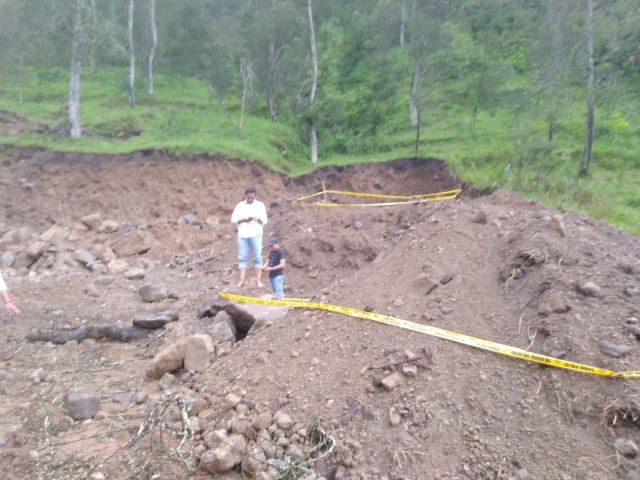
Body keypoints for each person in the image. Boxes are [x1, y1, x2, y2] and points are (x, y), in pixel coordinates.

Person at [231, 186, 268, 288]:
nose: (250, 199)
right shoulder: (240, 206)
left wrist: (258, 220)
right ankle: (242, 280)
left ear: (255, 196)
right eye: (248, 197)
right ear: (245, 196)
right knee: (242, 258)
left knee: (258, 258)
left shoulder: (260, 205)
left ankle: (258, 281)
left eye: (252, 197)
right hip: (243, 234)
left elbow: (265, 220)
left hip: (256, 234)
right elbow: (233, 219)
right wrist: (242, 220)